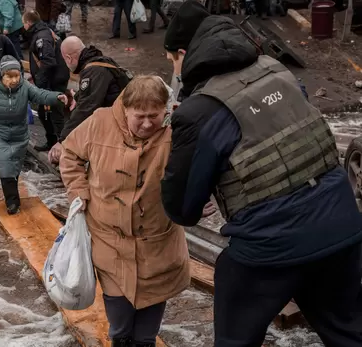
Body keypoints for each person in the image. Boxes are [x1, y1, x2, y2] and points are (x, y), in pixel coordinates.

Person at [161, 3, 362, 347]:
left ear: (184, 53)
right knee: (349, 332)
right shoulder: (279, 71)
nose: (174, 70)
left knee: (235, 333)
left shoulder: (199, 111)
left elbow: (181, 209)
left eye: (172, 61)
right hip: (341, 227)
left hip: (271, 247)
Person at [60, 75, 190, 347]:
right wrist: (79, 193)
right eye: (139, 116)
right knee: (119, 327)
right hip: (110, 241)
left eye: (154, 116)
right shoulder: (99, 122)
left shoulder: (176, 129)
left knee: (146, 334)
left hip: (158, 242)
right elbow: (70, 155)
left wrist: (200, 196)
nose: (147, 124)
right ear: (124, 109)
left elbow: (204, 163)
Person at [0, 55, 68, 215]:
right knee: (4, 167)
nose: (15, 80)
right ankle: (12, 203)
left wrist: (57, 97)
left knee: (14, 167)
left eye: (17, 76)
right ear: (2, 75)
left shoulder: (25, 87)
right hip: (0, 134)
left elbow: (40, 94)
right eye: (10, 76)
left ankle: (12, 194)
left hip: (20, 135)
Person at [48, 36, 132, 163]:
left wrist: (62, 140)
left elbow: (85, 109)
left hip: (118, 129)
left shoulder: (93, 70)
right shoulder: (101, 61)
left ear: (69, 58)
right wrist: (77, 96)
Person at [22, 10, 70, 152]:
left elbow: (48, 61)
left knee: (55, 113)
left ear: (29, 23)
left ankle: (64, 147)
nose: (23, 26)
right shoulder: (42, 32)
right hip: (50, 78)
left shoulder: (41, 36)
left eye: (24, 23)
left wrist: (41, 85)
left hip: (53, 80)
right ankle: (52, 141)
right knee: (44, 113)